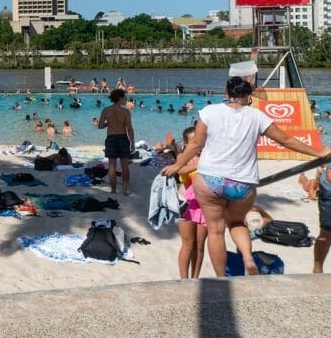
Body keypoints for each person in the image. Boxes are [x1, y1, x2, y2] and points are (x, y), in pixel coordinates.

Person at [162, 77, 331, 277]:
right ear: (248, 96)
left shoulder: (208, 112)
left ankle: (222, 280)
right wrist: (318, 153)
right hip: (242, 183)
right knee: (236, 223)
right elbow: (285, 140)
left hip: (210, 180)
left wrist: (177, 165)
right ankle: (248, 259)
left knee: (216, 231)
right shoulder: (257, 116)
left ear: (226, 94)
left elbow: (195, 144)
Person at [173, 127, 206, 279]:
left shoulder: (209, 156)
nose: (198, 145)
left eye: (200, 140)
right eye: (194, 142)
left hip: (205, 206)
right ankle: (184, 279)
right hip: (187, 204)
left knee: (199, 245)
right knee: (188, 243)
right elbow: (180, 170)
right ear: (186, 145)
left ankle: (195, 278)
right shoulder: (183, 156)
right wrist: (201, 165)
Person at [98, 88, 135, 196]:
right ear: (120, 98)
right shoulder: (125, 111)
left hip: (111, 138)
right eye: (124, 98)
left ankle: (113, 190)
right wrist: (132, 142)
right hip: (123, 138)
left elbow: (100, 126)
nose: (125, 100)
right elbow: (129, 129)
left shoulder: (106, 110)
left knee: (112, 166)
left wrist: (108, 124)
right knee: (124, 166)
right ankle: (125, 190)